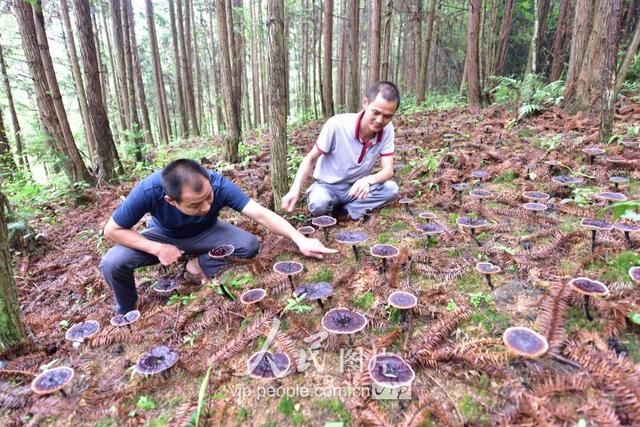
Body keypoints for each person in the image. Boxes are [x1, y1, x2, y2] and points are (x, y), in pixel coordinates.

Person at [100, 159, 335, 314]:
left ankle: (198, 264)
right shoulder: (149, 190)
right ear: (171, 200)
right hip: (163, 235)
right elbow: (111, 230)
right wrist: (157, 249)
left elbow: (260, 214)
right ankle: (126, 311)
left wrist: (299, 238)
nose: (205, 206)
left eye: (208, 197)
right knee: (112, 263)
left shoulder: (218, 184)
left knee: (248, 244)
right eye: (195, 204)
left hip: (208, 232)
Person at [281, 81, 400, 220]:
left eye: (387, 116)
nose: (380, 120)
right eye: (376, 112)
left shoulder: (387, 129)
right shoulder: (337, 125)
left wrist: (368, 180)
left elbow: (388, 170)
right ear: (365, 103)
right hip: (328, 187)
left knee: (391, 189)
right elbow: (311, 158)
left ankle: (347, 212)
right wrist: (295, 189)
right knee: (319, 203)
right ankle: (331, 213)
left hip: (356, 188)